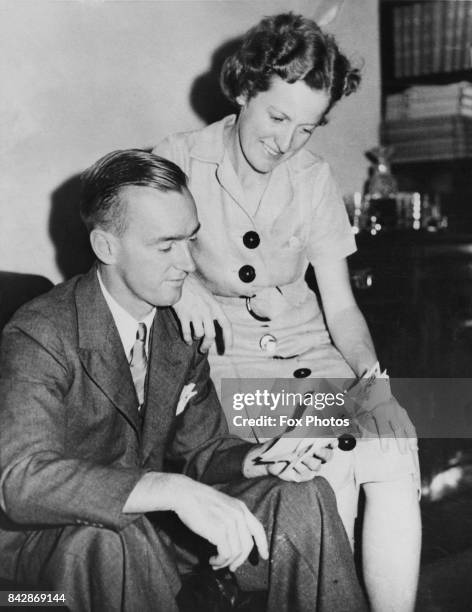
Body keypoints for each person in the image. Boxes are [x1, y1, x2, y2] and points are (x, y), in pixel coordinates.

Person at [0, 149, 367, 612]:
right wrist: (169, 490)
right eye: (166, 245)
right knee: (113, 542)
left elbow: (203, 452)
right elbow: (20, 481)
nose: (189, 264)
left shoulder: (178, 327)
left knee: (302, 496)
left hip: (151, 533)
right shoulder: (41, 333)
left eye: (191, 240)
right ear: (106, 247)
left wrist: (258, 459)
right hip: (43, 567)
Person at [154, 12, 421, 612]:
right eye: (277, 117)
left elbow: (343, 307)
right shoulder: (178, 160)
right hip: (238, 374)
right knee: (329, 466)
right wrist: (181, 283)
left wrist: (372, 382)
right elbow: (122, 239)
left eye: (306, 128)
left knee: (393, 447)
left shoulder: (314, 177)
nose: (286, 142)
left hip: (317, 360)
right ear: (244, 90)